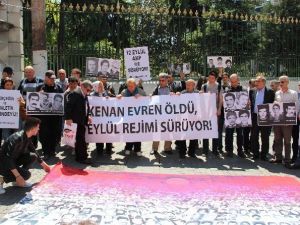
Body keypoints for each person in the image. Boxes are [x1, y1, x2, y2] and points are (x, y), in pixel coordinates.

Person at [0, 117, 50, 195]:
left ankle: (16, 181)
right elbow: (8, 159)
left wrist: (43, 164)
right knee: (26, 175)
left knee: (33, 156)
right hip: (3, 163)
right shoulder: (16, 138)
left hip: (12, 161)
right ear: (33, 128)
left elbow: (33, 150)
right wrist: (18, 176)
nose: (39, 129)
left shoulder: (26, 135)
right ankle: (2, 179)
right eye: (38, 127)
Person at [270, 75, 298, 164]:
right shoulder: (277, 93)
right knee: (277, 139)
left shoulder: (293, 93)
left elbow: (296, 107)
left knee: (287, 141)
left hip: (288, 122)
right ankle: (278, 158)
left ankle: (287, 159)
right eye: (279, 82)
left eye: (282, 82)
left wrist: (290, 120)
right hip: (278, 120)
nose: (280, 84)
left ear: (287, 82)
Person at [37, 70, 63, 160]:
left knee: (55, 133)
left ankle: (52, 150)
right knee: (44, 134)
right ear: (46, 78)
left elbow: (62, 100)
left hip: (56, 116)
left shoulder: (58, 87)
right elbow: (34, 101)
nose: (53, 80)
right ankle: (46, 152)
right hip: (44, 117)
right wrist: (39, 94)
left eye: (54, 79)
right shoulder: (40, 87)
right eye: (51, 79)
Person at [65, 80, 93, 164]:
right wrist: (68, 118)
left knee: (80, 139)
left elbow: (86, 107)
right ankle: (81, 158)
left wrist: (88, 115)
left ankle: (80, 156)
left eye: (90, 91)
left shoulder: (84, 94)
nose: (88, 92)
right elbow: (68, 107)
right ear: (82, 87)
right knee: (80, 140)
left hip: (81, 120)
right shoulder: (75, 94)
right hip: (75, 120)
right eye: (87, 90)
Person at [117, 78, 146, 156]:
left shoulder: (140, 91)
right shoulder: (124, 92)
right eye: (129, 86)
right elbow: (118, 102)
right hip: (128, 116)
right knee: (128, 132)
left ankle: (138, 149)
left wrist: (141, 97)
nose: (130, 88)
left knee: (137, 133)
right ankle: (128, 148)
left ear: (135, 85)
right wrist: (119, 97)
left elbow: (148, 100)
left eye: (132, 86)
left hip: (138, 116)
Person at [249, 75, 275, 160]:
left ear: (263, 82)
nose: (256, 83)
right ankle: (255, 153)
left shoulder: (270, 92)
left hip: (265, 117)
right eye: (256, 81)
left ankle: (264, 154)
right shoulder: (252, 91)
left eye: (258, 81)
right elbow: (250, 102)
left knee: (265, 136)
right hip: (255, 116)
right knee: (254, 136)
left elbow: (273, 104)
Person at [220, 74, 246, 158]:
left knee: (240, 134)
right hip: (229, 115)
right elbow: (223, 101)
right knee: (229, 134)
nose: (233, 83)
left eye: (235, 81)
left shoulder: (243, 90)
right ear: (229, 81)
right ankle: (229, 150)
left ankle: (240, 151)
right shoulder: (227, 90)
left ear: (238, 80)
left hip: (240, 116)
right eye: (232, 81)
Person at [150, 73, 173, 156]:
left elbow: (179, 97)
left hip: (169, 114)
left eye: (163, 80)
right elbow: (152, 98)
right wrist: (151, 96)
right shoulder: (156, 89)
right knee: (157, 131)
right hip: (158, 114)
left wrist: (176, 94)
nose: (161, 82)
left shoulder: (172, 88)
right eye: (159, 80)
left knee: (168, 131)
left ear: (167, 80)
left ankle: (167, 148)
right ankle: (154, 149)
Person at [201, 71, 223, 157]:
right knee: (206, 130)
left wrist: (219, 109)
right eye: (209, 78)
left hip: (215, 112)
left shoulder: (219, 86)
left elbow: (221, 99)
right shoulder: (204, 86)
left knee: (215, 131)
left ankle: (215, 149)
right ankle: (205, 150)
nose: (211, 79)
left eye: (213, 78)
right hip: (206, 112)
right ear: (208, 78)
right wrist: (201, 94)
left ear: (216, 78)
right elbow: (201, 98)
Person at [176, 79, 199, 158]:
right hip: (184, 118)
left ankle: (191, 152)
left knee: (193, 136)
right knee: (183, 135)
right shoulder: (182, 93)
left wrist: (204, 95)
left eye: (190, 85)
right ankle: (182, 152)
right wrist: (177, 94)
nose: (188, 86)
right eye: (187, 85)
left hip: (194, 118)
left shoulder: (198, 93)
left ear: (194, 86)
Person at [91, 81, 113, 155]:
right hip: (97, 119)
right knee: (99, 134)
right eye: (99, 86)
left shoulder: (106, 93)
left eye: (102, 86)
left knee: (108, 133)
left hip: (106, 118)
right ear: (95, 87)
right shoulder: (92, 95)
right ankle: (99, 149)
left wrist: (108, 99)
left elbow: (114, 100)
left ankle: (108, 149)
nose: (102, 87)